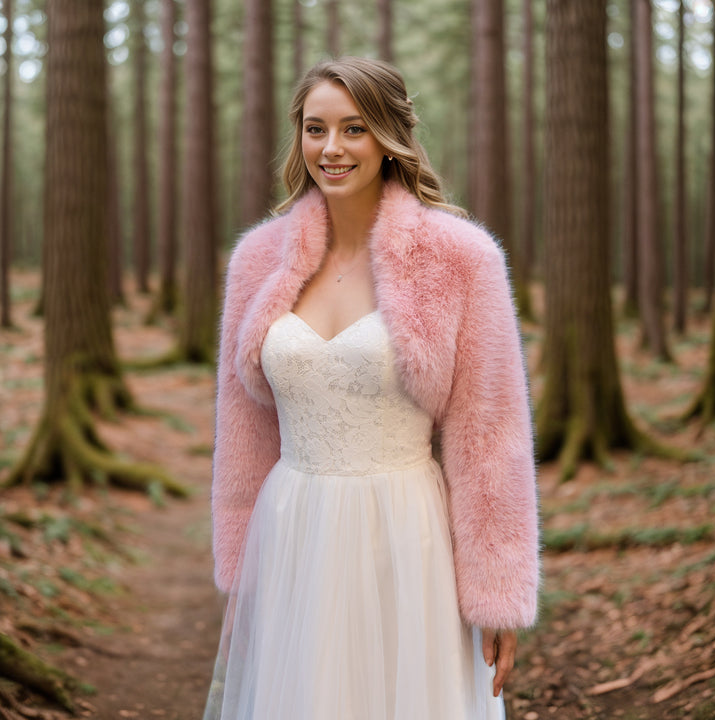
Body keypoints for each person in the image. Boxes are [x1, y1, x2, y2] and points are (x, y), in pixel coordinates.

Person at [203, 57, 539, 720]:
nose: (331, 148)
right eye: (315, 128)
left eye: (354, 129)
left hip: (405, 534)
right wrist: (240, 567)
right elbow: (242, 430)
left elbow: (488, 432)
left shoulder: (461, 257)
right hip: (292, 531)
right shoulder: (257, 261)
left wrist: (498, 590)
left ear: (390, 137)